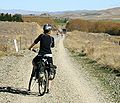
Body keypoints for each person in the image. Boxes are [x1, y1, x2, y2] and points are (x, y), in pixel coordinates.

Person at [28, 24, 56, 93]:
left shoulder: (41, 36)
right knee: (50, 68)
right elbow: (52, 46)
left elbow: (35, 42)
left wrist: (30, 47)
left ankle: (38, 72)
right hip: (49, 56)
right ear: (49, 31)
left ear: (44, 30)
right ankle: (48, 88)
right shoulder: (52, 38)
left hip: (41, 55)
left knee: (34, 61)